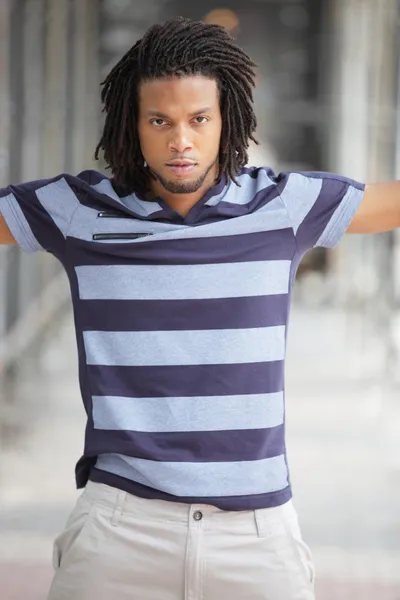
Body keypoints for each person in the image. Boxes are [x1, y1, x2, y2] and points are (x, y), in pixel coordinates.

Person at [0, 16, 397, 600]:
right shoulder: (78, 211)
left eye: (198, 120)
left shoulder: (284, 206)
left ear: (226, 120)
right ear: (132, 125)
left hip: (256, 538)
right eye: (159, 121)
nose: (179, 140)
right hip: (119, 530)